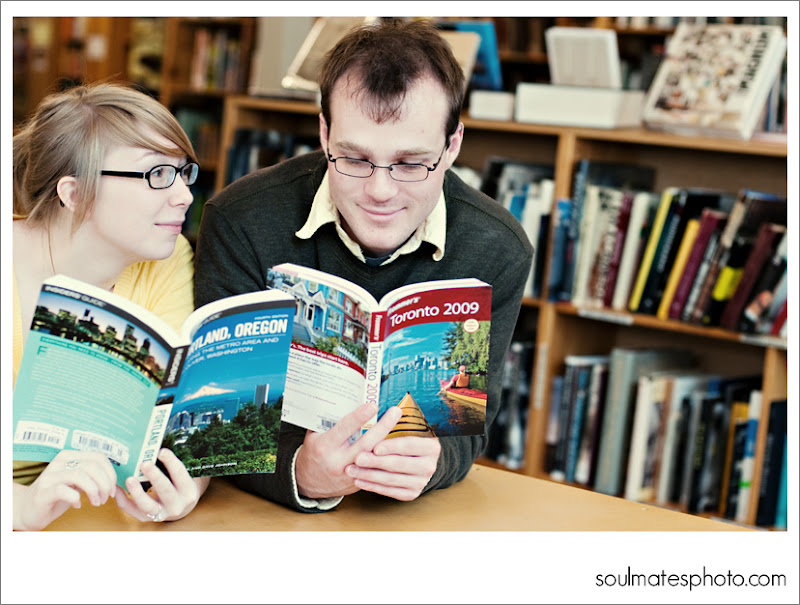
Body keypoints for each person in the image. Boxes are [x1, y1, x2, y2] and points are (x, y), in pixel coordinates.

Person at [194, 18, 533, 512]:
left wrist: (434, 462)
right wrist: (297, 470)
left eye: (411, 163)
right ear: (324, 133)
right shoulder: (241, 220)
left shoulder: (497, 249)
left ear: (452, 146)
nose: (380, 191)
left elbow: (468, 429)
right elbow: (217, 421)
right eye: (353, 159)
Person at [12, 82, 210, 530]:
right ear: (74, 193)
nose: (184, 195)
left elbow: (179, 427)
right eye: (157, 174)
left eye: (183, 172)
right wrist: (20, 507)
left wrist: (184, 488)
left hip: (98, 522)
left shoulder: (166, 259)